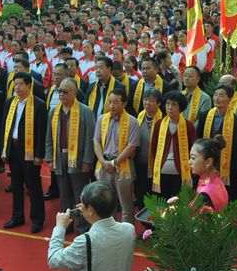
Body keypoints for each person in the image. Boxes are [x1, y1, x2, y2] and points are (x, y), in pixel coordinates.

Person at [45, 78, 97, 233]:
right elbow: (49, 137)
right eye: (59, 91)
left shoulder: (85, 111)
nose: (61, 94)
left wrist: (88, 160)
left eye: (65, 92)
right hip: (60, 158)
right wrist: (49, 157)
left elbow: (90, 138)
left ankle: (82, 227)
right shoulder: (54, 112)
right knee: (64, 194)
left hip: (79, 159)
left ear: (74, 93)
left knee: (79, 195)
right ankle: (66, 225)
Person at [1, 71, 48, 233]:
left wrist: (39, 155)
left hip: (29, 151)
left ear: (29, 85)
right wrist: (4, 149)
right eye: (15, 84)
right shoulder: (9, 103)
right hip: (13, 149)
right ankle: (17, 216)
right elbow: (4, 127)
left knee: (33, 186)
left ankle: (37, 219)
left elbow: (42, 132)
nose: (17, 87)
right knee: (15, 185)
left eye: (21, 84)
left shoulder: (39, 105)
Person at [92, 87, 139, 225]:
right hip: (104, 165)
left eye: (116, 102)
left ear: (124, 104)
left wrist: (114, 163)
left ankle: (127, 236)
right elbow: (96, 141)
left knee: (126, 206)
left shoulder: (132, 122)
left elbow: (131, 147)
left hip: (123, 166)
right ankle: (109, 235)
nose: (111, 105)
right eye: (110, 102)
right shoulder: (102, 119)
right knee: (106, 204)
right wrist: (103, 161)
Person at [198, 84, 237, 202]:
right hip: (207, 165)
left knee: (227, 198)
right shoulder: (205, 116)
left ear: (229, 99)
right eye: (215, 95)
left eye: (221, 95)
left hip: (228, 168)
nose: (216, 98)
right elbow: (199, 139)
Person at [149, 91, 197, 199]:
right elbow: (154, 148)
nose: (170, 107)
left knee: (180, 206)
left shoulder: (189, 126)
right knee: (161, 206)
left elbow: (192, 149)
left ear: (181, 107)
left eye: (174, 104)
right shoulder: (159, 124)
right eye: (167, 103)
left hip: (181, 172)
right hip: (161, 171)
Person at [167, 136, 229, 212]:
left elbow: (197, 221)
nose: (189, 162)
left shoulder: (206, 194)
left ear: (207, 162)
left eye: (193, 158)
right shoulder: (215, 180)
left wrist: (176, 209)